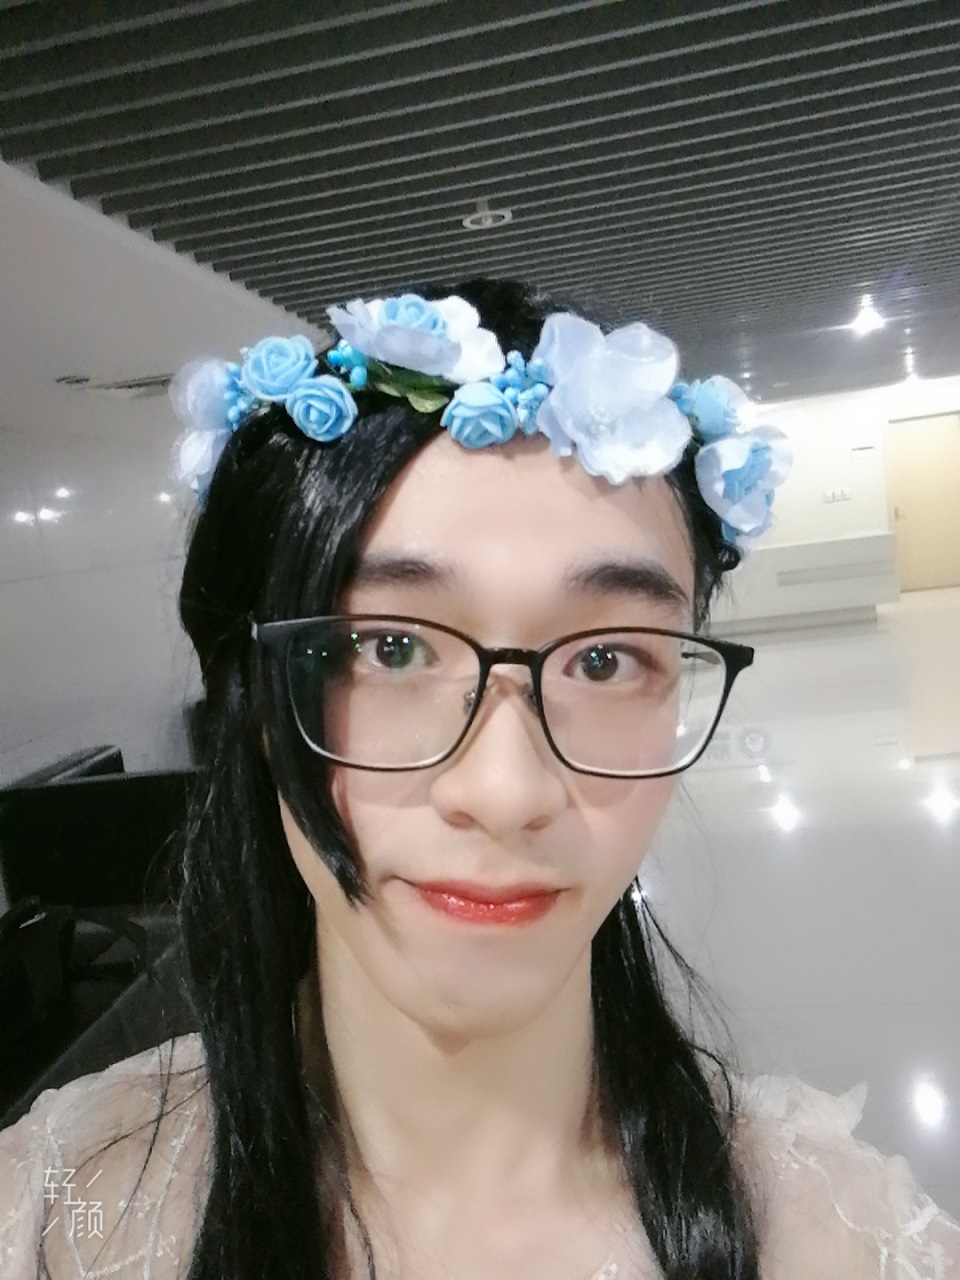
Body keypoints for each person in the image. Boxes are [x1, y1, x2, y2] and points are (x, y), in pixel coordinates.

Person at [1, 278, 956, 1280]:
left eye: (605, 660)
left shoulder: (837, 1235)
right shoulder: (56, 1211)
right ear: (258, 706)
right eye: (391, 647)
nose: (506, 793)